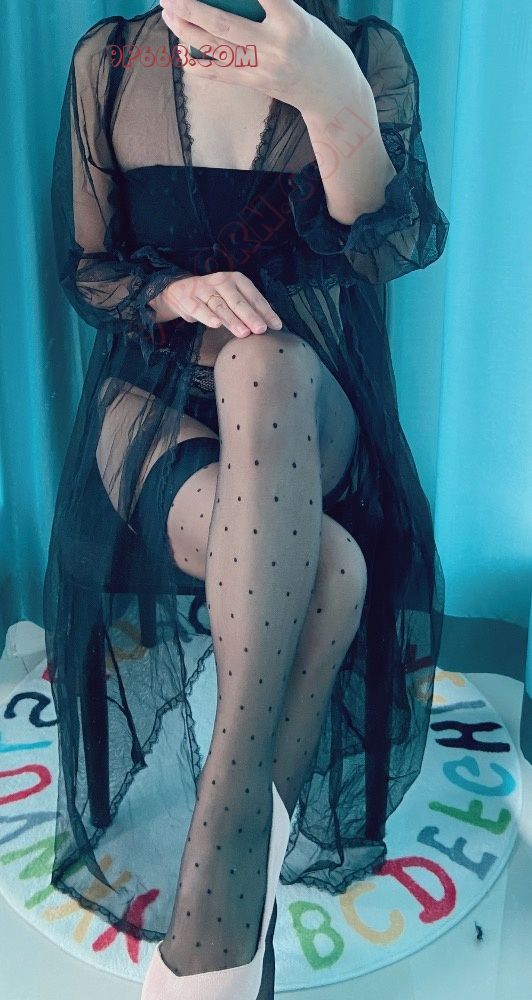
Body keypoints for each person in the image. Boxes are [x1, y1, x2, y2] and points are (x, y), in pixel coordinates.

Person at [44, 0, 449, 996]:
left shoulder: (360, 53)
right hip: (149, 402)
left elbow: (393, 246)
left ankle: (216, 853)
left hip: (302, 411)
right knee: (332, 569)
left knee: (263, 361)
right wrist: (171, 295)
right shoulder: (113, 59)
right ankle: (235, 911)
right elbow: (87, 269)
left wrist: (328, 91)